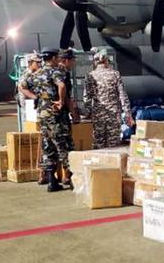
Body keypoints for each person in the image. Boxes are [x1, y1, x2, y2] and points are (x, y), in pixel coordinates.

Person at [18, 48, 72, 192]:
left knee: (48, 148)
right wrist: (60, 101)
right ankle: (71, 179)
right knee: (64, 146)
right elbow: (61, 85)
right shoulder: (55, 71)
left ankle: (52, 181)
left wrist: (36, 98)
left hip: (42, 115)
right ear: (54, 58)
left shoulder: (37, 73)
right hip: (55, 115)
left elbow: (22, 86)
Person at [82, 49, 132, 148]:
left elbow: (87, 97)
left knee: (98, 143)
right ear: (106, 61)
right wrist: (127, 114)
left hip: (98, 114)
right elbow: (122, 95)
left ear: (95, 62)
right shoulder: (115, 74)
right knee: (113, 144)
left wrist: (88, 113)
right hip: (113, 114)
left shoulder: (90, 75)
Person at [57, 49, 81, 122]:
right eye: (72, 60)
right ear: (66, 60)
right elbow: (66, 95)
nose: (73, 63)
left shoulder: (54, 70)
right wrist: (74, 114)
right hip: (61, 111)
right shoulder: (63, 73)